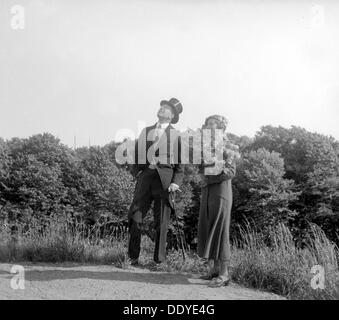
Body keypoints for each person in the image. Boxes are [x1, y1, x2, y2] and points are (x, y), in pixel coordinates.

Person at [127, 98, 184, 265]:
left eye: (167, 108)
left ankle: (159, 261)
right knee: (135, 216)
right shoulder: (146, 131)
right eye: (162, 106)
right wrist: (137, 172)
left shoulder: (176, 135)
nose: (162, 109)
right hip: (145, 179)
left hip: (165, 182)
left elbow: (181, 164)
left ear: (172, 115)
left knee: (162, 221)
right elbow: (137, 154)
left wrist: (176, 182)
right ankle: (132, 258)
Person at [197, 115, 237, 287]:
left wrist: (208, 179)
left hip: (221, 191)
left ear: (221, 127)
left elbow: (230, 172)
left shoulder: (228, 145)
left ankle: (224, 274)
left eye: (213, 124)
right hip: (207, 191)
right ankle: (213, 271)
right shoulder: (206, 147)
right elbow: (201, 168)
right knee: (208, 227)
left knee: (220, 230)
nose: (209, 126)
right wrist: (203, 176)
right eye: (207, 124)